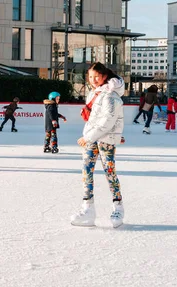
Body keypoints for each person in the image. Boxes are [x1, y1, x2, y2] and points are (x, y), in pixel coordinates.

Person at [71, 62, 125, 228]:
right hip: (92, 137)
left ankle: (118, 207)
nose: (93, 80)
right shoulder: (95, 93)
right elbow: (95, 118)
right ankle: (88, 208)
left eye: (96, 77)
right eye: (90, 77)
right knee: (86, 170)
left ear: (105, 77)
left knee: (110, 172)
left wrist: (88, 137)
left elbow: (108, 121)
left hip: (104, 140)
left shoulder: (110, 94)